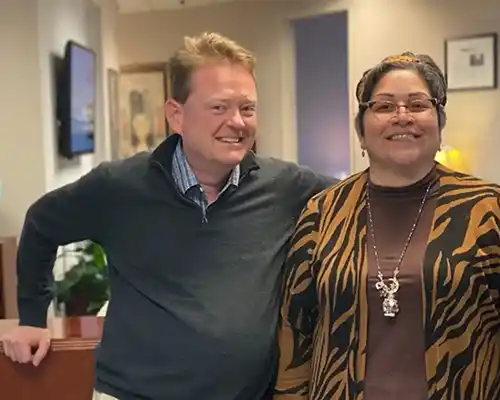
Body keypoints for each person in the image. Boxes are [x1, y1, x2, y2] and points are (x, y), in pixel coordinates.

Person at [0, 32, 335, 400]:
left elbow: (360, 198)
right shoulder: (119, 187)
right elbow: (41, 223)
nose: (238, 122)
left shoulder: (285, 186)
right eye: (219, 107)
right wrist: (32, 319)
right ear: (176, 115)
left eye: (248, 108)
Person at [274, 52, 500, 400]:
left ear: (440, 123)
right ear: (360, 131)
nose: (402, 117)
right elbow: (296, 329)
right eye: (383, 106)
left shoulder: (487, 208)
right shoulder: (323, 211)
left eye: (418, 104)